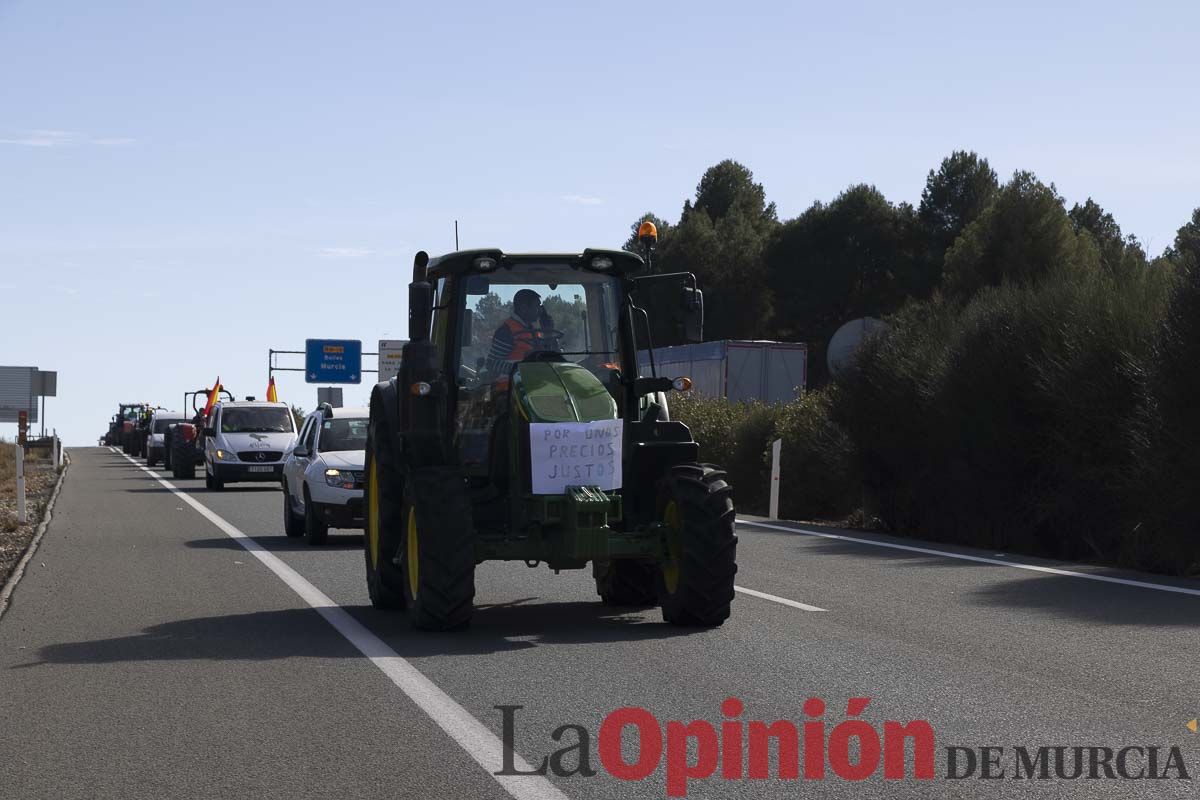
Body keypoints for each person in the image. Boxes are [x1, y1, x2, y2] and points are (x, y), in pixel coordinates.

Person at [486, 289, 555, 378]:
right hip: (509, 387)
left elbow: (544, 358)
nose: (540, 312)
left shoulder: (533, 331)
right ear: (524, 308)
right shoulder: (506, 331)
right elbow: (491, 363)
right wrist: (523, 369)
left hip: (533, 383)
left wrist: (548, 333)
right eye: (537, 307)